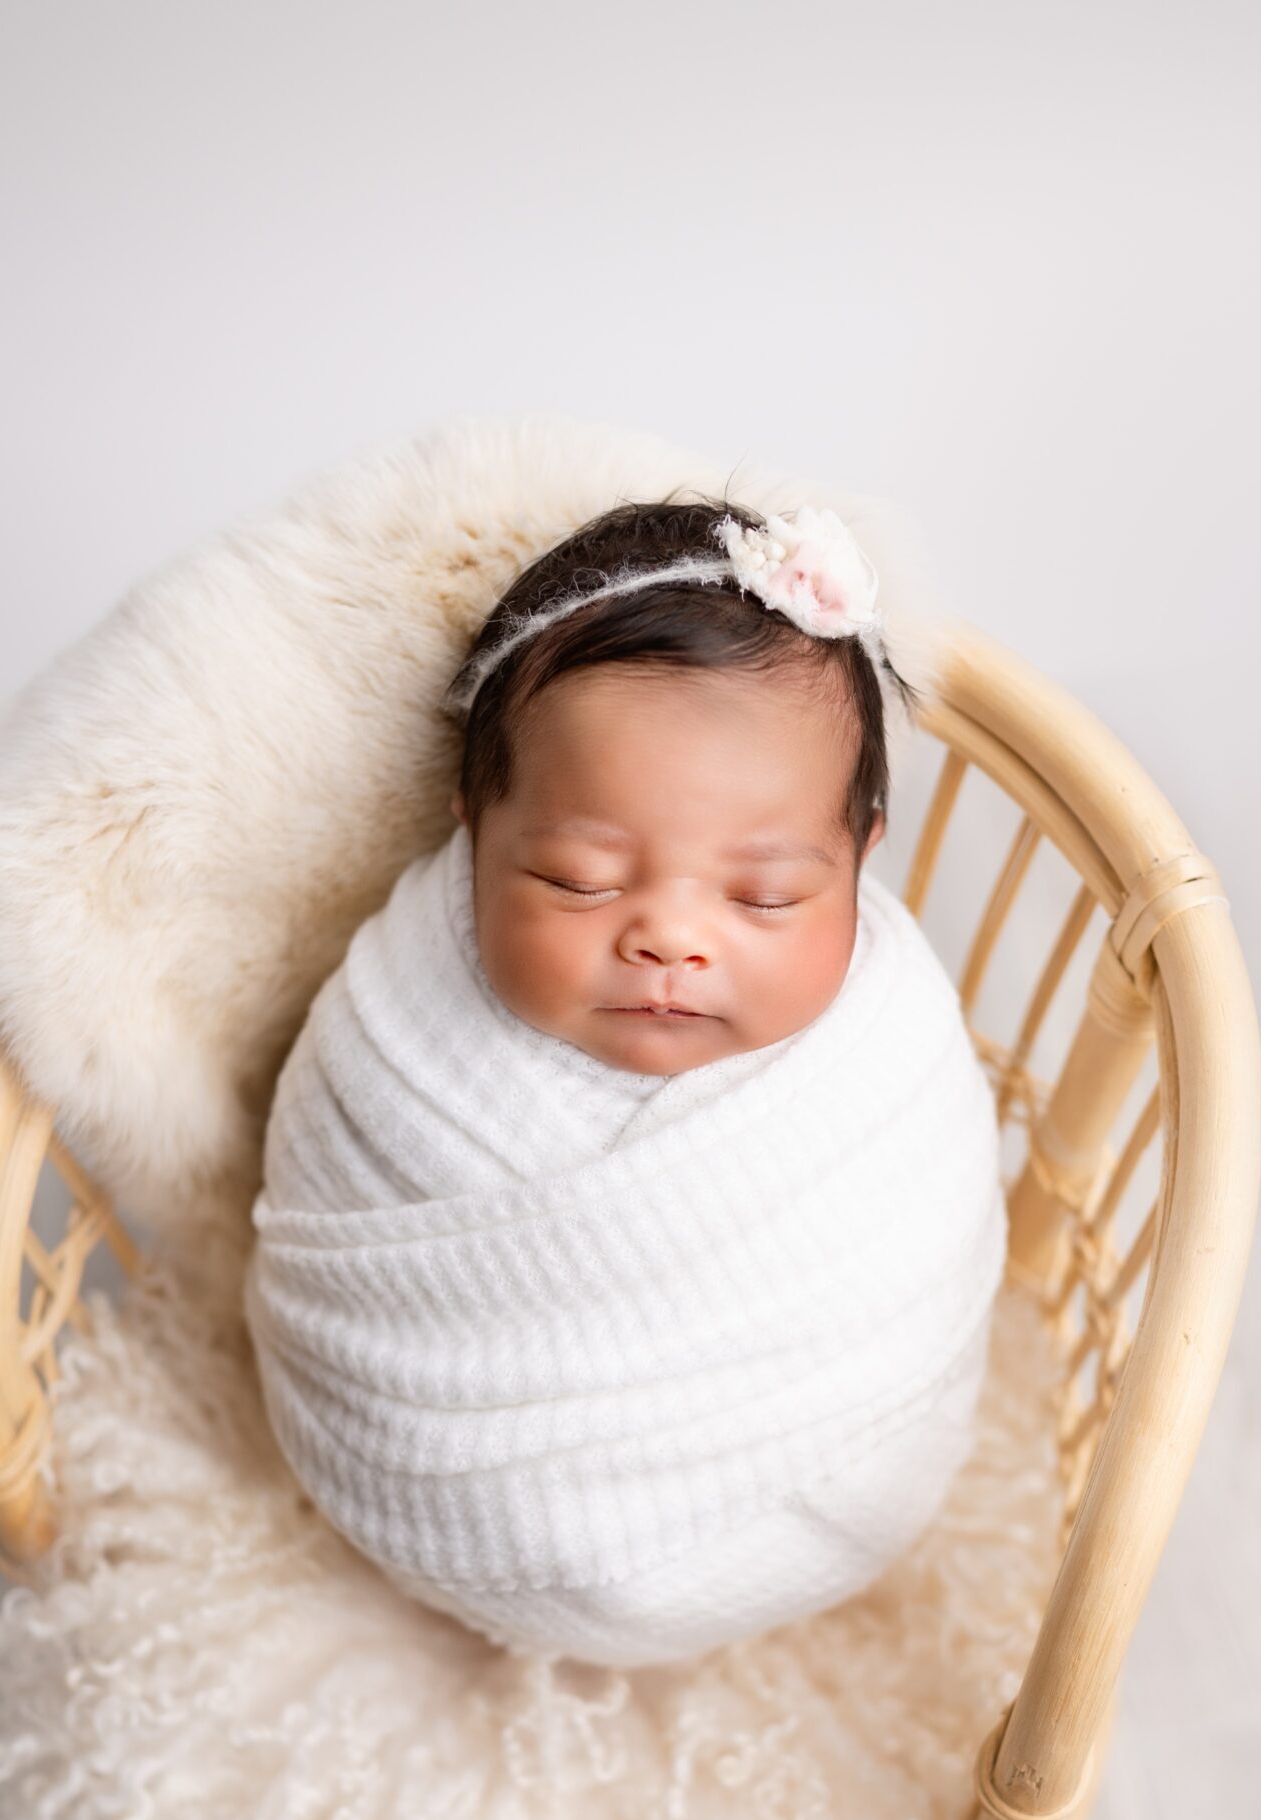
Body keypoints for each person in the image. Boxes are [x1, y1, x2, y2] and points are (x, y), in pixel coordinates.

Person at [244, 493, 1007, 1666]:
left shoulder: (887, 1050)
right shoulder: (393, 1032)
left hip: (843, 1483)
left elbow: (938, 1241)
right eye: (581, 879)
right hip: (447, 1514)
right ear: (473, 830)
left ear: (860, 854)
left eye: (764, 897)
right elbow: (319, 1275)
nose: (671, 939)